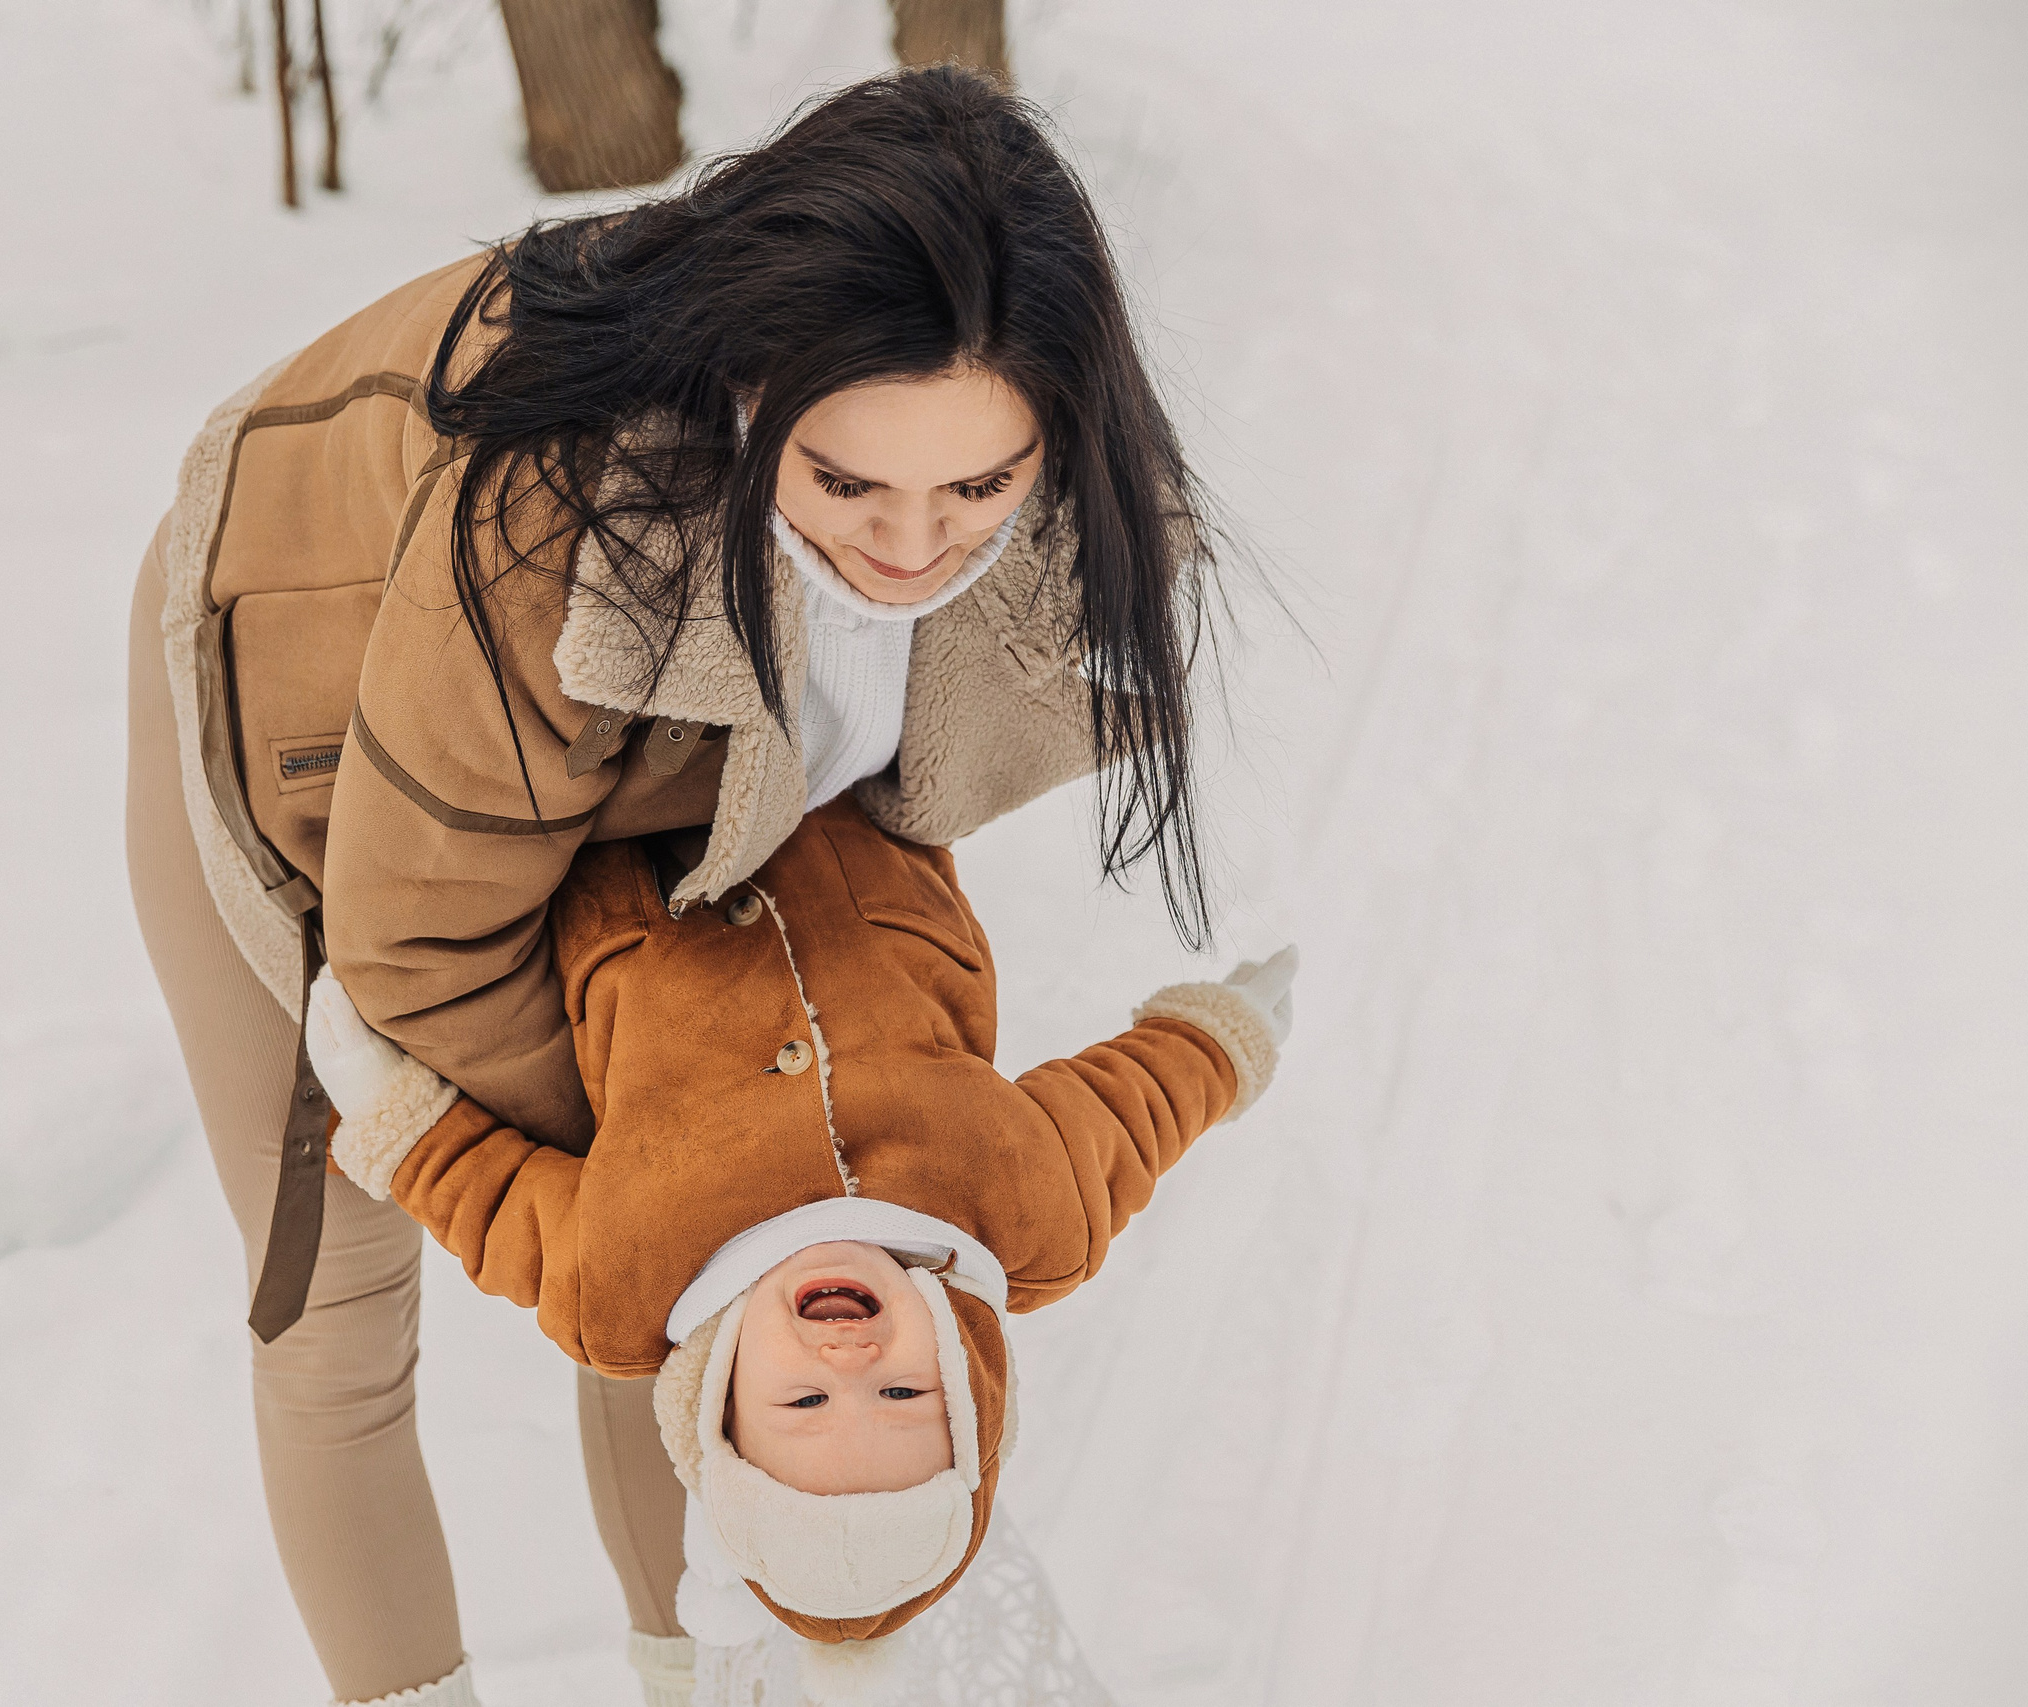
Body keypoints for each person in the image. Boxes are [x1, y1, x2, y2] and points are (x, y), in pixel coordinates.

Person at [127, 64, 1222, 1707]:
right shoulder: (560, 527)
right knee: (350, 1302)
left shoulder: (1055, 503)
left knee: (708, 1262)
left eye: (974, 489)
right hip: (301, 702)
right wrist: (686, 1166)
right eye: (848, 483)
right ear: (752, 387)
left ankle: (702, 1681)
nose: (915, 548)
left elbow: (888, 791)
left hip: (649, 761)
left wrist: (758, 1167)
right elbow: (415, 943)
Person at [302, 800, 1296, 1704]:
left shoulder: (624, 1284)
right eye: (904, 1398)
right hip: (849, 794)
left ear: (723, 1409)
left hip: (621, 833)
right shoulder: (1021, 1211)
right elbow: (1136, 1112)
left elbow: (489, 1201)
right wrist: (1227, 1035)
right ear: (965, 1381)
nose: (849, 1366)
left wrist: (391, 1115)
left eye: (805, 1405)